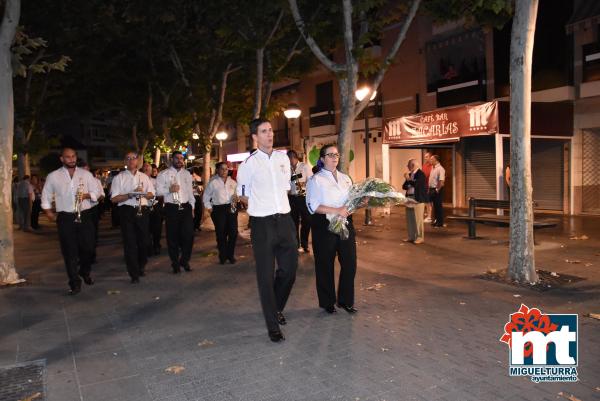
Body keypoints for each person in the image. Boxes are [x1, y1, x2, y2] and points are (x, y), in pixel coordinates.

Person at [236, 118, 298, 343]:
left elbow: (287, 187)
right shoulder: (248, 165)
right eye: (264, 131)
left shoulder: (283, 159)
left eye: (271, 130)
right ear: (255, 137)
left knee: (289, 271)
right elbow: (242, 195)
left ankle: (276, 307)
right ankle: (272, 325)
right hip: (262, 224)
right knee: (265, 275)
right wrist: (256, 202)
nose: (270, 134)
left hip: (285, 220)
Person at [41, 147, 102, 294]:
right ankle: (74, 282)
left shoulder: (86, 174)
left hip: (85, 214)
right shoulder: (53, 176)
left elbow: (98, 192)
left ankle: (84, 271)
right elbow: (46, 195)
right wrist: (49, 212)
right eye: (68, 157)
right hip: (65, 217)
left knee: (89, 248)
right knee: (69, 252)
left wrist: (87, 196)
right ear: (62, 159)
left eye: (73, 156)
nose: (72, 159)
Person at [306, 144, 358, 315]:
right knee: (325, 264)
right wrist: (337, 211)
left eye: (336, 154)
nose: (335, 157)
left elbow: (351, 200)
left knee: (349, 263)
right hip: (324, 226)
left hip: (345, 223)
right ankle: (327, 302)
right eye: (330, 155)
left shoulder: (346, 178)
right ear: (322, 159)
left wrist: (357, 205)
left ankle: (345, 301)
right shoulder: (315, 180)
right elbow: (313, 206)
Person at [110, 152, 155, 283]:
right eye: (128, 158)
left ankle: (141, 265)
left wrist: (144, 194)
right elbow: (114, 198)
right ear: (125, 161)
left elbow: (152, 194)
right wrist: (129, 195)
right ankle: (133, 273)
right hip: (127, 211)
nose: (131, 161)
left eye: (133, 158)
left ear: (138, 161)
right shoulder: (119, 178)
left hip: (142, 210)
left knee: (144, 242)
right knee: (129, 243)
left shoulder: (144, 177)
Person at [156, 151, 195, 274]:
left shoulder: (187, 174)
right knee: (172, 237)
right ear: (171, 160)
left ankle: (184, 260)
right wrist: (169, 189)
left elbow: (190, 192)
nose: (179, 160)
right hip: (171, 207)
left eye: (181, 158)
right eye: (177, 158)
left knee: (188, 236)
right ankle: (175, 263)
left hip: (186, 207)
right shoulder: (164, 174)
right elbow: (157, 191)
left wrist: (192, 206)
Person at [203, 162, 238, 264]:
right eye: (222, 169)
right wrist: (209, 208)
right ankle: (223, 255)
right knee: (221, 233)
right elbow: (206, 197)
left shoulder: (233, 182)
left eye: (226, 169)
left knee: (233, 232)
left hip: (231, 207)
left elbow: (238, 194)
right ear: (217, 170)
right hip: (218, 209)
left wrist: (237, 198)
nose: (224, 171)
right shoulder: (213, 182)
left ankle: (230, 255)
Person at [287, 150, 312, 253]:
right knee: (294, 222)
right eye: (288, 159)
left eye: (291, 158)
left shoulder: (304, 167)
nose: (290, 161)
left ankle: (305, 243)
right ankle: (296, 244)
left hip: (303, 197)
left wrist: (304, 186)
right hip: (291, 198)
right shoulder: (286, 169)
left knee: (307, 220)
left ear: (295, 158)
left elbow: (311, 180)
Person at [80, 162, 105, 264]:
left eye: (87, 169)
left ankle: (92, 255)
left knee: (92, 233)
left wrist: (94, 198)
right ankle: (81, 256)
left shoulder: (96, 181)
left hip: (92, 209)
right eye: (83, 169)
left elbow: (102, 195)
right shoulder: (77, 181)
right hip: (80, 210)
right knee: (80, 234)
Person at [402, 159, 428, 244]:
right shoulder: (410, 174)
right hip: (409, 197)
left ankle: (420, 237)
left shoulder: (421, 174)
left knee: (418, 219)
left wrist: (409, 180)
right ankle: (411, 236)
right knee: (410, 218)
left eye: (408, 165)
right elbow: (404, 186)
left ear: (412, 165)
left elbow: (416, 185)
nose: (407, 167)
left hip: (417, 198)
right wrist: (409, 181)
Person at [145, 163, 163, 256]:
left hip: (155, 207)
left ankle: (156, 245)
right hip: (143, 207)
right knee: (145, 229)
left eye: (148, 169)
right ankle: (148, 248)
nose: (147, 171)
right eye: (145, 169)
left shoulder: (155, 181)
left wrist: (156, 197)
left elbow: (160, 193)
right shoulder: (139, 181)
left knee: (156, 228)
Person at [428, 155, 445, 228]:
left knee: (438, 206)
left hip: (437, 189)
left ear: (436, 160)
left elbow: (441, 181)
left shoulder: (441, 169)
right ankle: (436, 220)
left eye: (431, 159)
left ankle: (440, 222)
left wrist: (437, 190)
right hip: (431, 188)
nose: (430, 160)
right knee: (434, 206)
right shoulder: (432, 168)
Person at [422, 151, 433, 223]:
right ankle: (428, 214)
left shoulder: (432, 166)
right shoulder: (424, 165)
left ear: (430, 157)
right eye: (425, 157)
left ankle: (429, 217)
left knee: (428, 202)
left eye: (427, 157)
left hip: (429, 186)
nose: (425, 158)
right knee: (425, 201)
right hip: (424, 185)